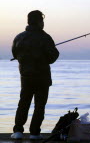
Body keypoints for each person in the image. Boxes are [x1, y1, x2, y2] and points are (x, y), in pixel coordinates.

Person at [11, 10, 59, 140]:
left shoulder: (19, 37)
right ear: (39, 22)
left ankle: (18, 131)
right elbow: (52, 57)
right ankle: (34, 133)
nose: (43, 23)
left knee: (23, 103)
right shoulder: (45, 37)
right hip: (42, 78)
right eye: (42, 21)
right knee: (39, 105)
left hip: (26, 77)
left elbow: (15, 54)